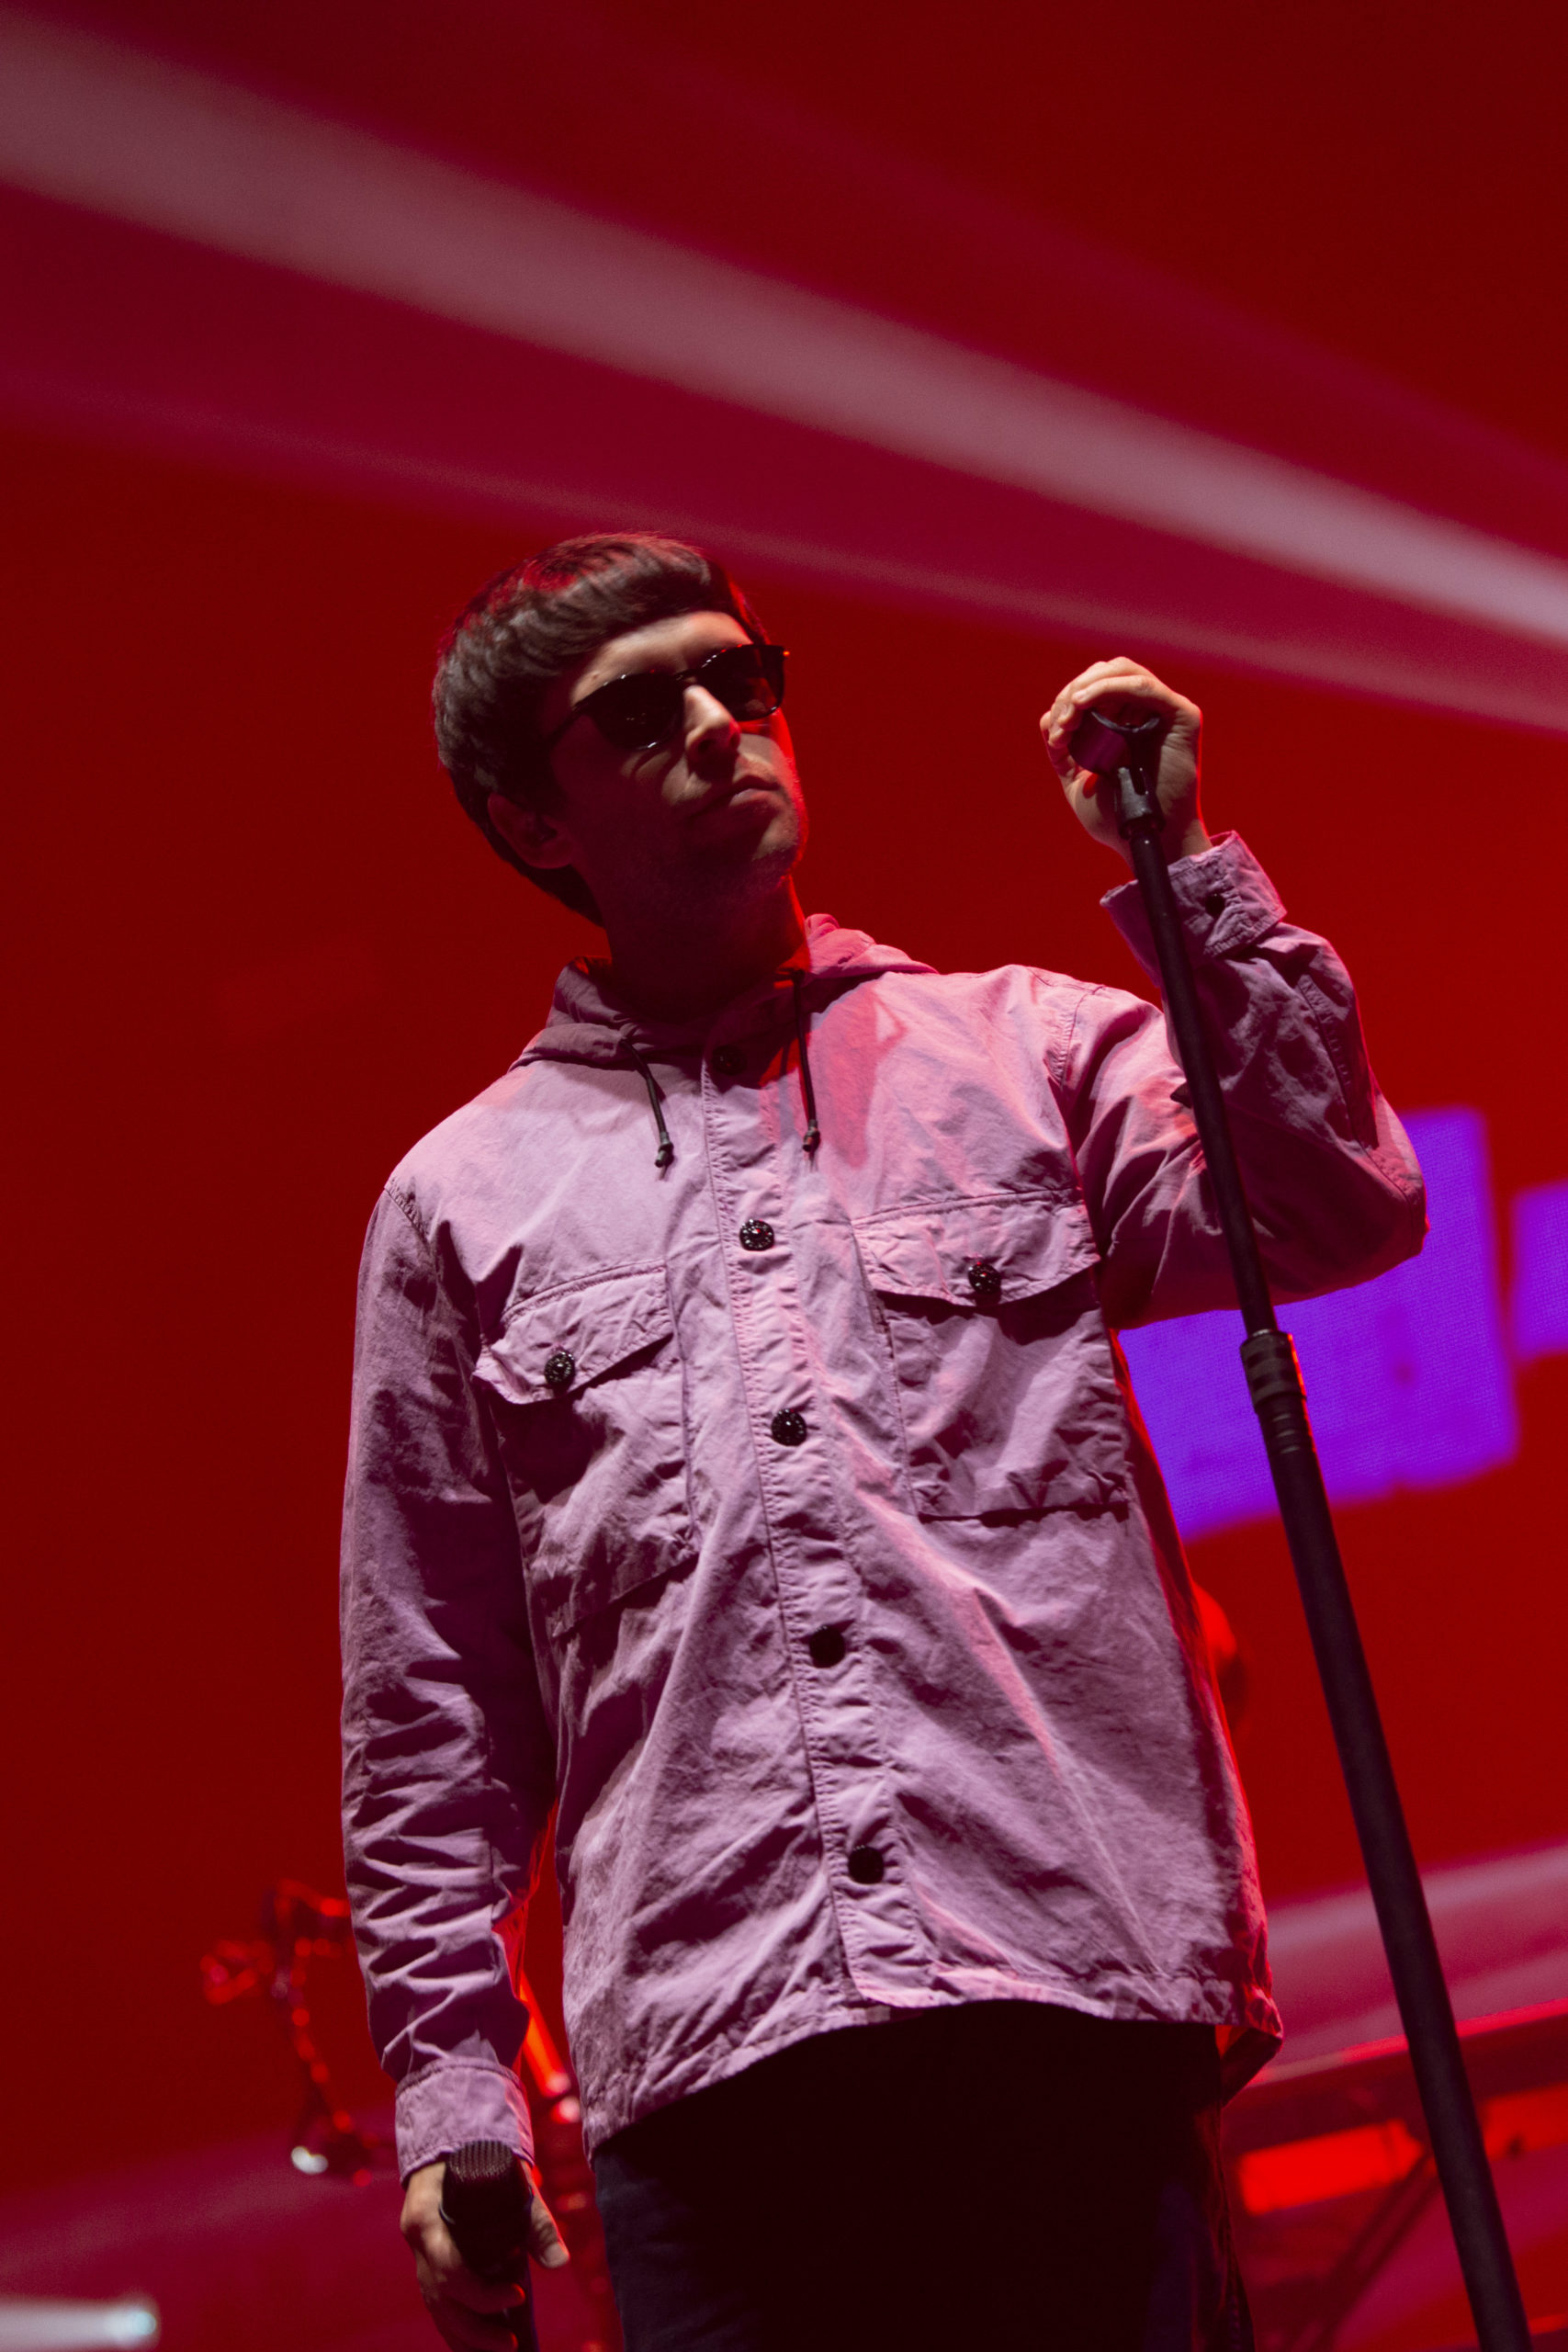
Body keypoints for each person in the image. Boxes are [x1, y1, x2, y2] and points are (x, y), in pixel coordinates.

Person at [340, 533, 1425, 2351]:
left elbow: (1332, 1201)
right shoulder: (457, 1205)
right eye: (641, 710)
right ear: (533, 818)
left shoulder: (1026, 1054)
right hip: (717, 2077)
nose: (719, 722)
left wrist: (1187, 871)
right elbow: (429, 1698)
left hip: (1063, 2003)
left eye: (742, 678)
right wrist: (453, 2082)